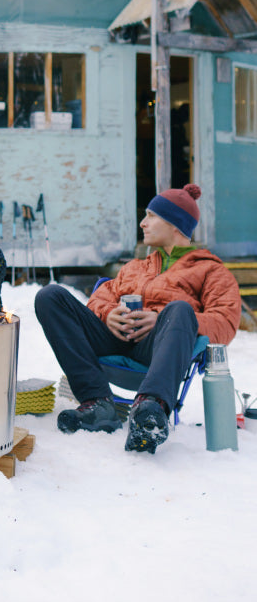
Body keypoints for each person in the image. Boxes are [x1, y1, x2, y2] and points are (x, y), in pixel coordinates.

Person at [35, 183, 241, 454]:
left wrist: (161, 320)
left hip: (159, 351)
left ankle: (150, 413)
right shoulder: (134, 268)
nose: (143, 223)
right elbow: (99, 298)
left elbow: (225, 321)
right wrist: (109, 315)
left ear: (176, 224)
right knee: (50, 296)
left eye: (151, 216)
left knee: (179, 309)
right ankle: (98, 404)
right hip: (115, 340)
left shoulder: (210, 271)